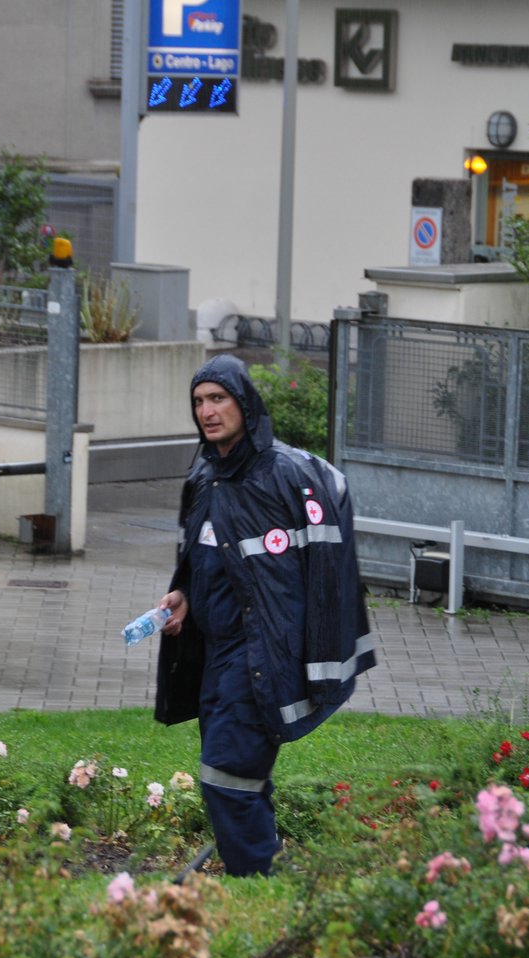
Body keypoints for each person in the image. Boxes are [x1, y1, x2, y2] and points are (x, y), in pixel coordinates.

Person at [151, 354, 375, 876]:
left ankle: (257, 878)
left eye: (218, 399)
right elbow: (205, 551)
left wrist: (315, 658)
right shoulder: (205, 473)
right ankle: (265, 861)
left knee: (225, 774)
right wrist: (183, 593)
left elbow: (323, 580)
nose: (207, 411)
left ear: (245, 404)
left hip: (259, 658)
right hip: (214, 654)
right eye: (199, 401)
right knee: (242, 771)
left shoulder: (286, 477)